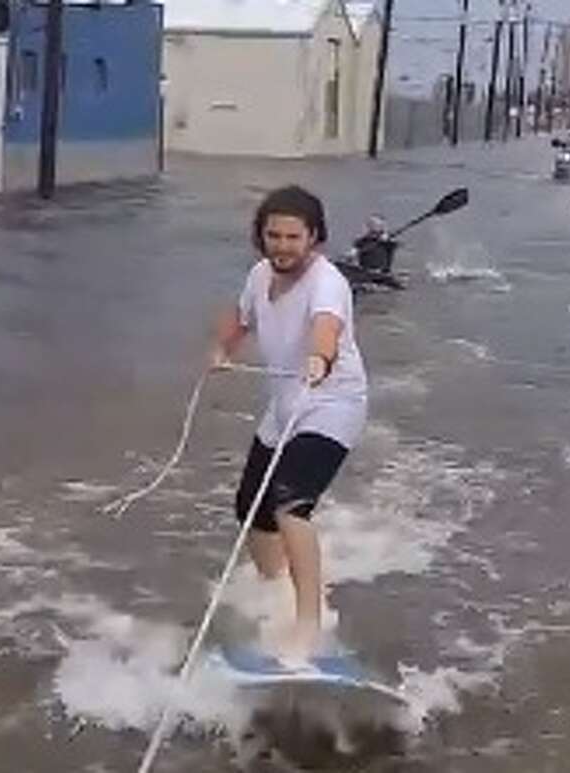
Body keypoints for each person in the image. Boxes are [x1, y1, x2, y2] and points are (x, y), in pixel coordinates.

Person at [209, 185, 367, 662]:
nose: (281, 245)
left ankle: (309, 626)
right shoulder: (260, 275)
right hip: (283, 407)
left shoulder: (328, 282)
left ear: (313, 237)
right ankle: (276, 590)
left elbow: (325, 326)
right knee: (250, 511)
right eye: (273, 235)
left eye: (292, 237)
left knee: (289, 504)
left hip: (332, 404)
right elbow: (240, 320)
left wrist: (320, 358)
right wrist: (221, 350)